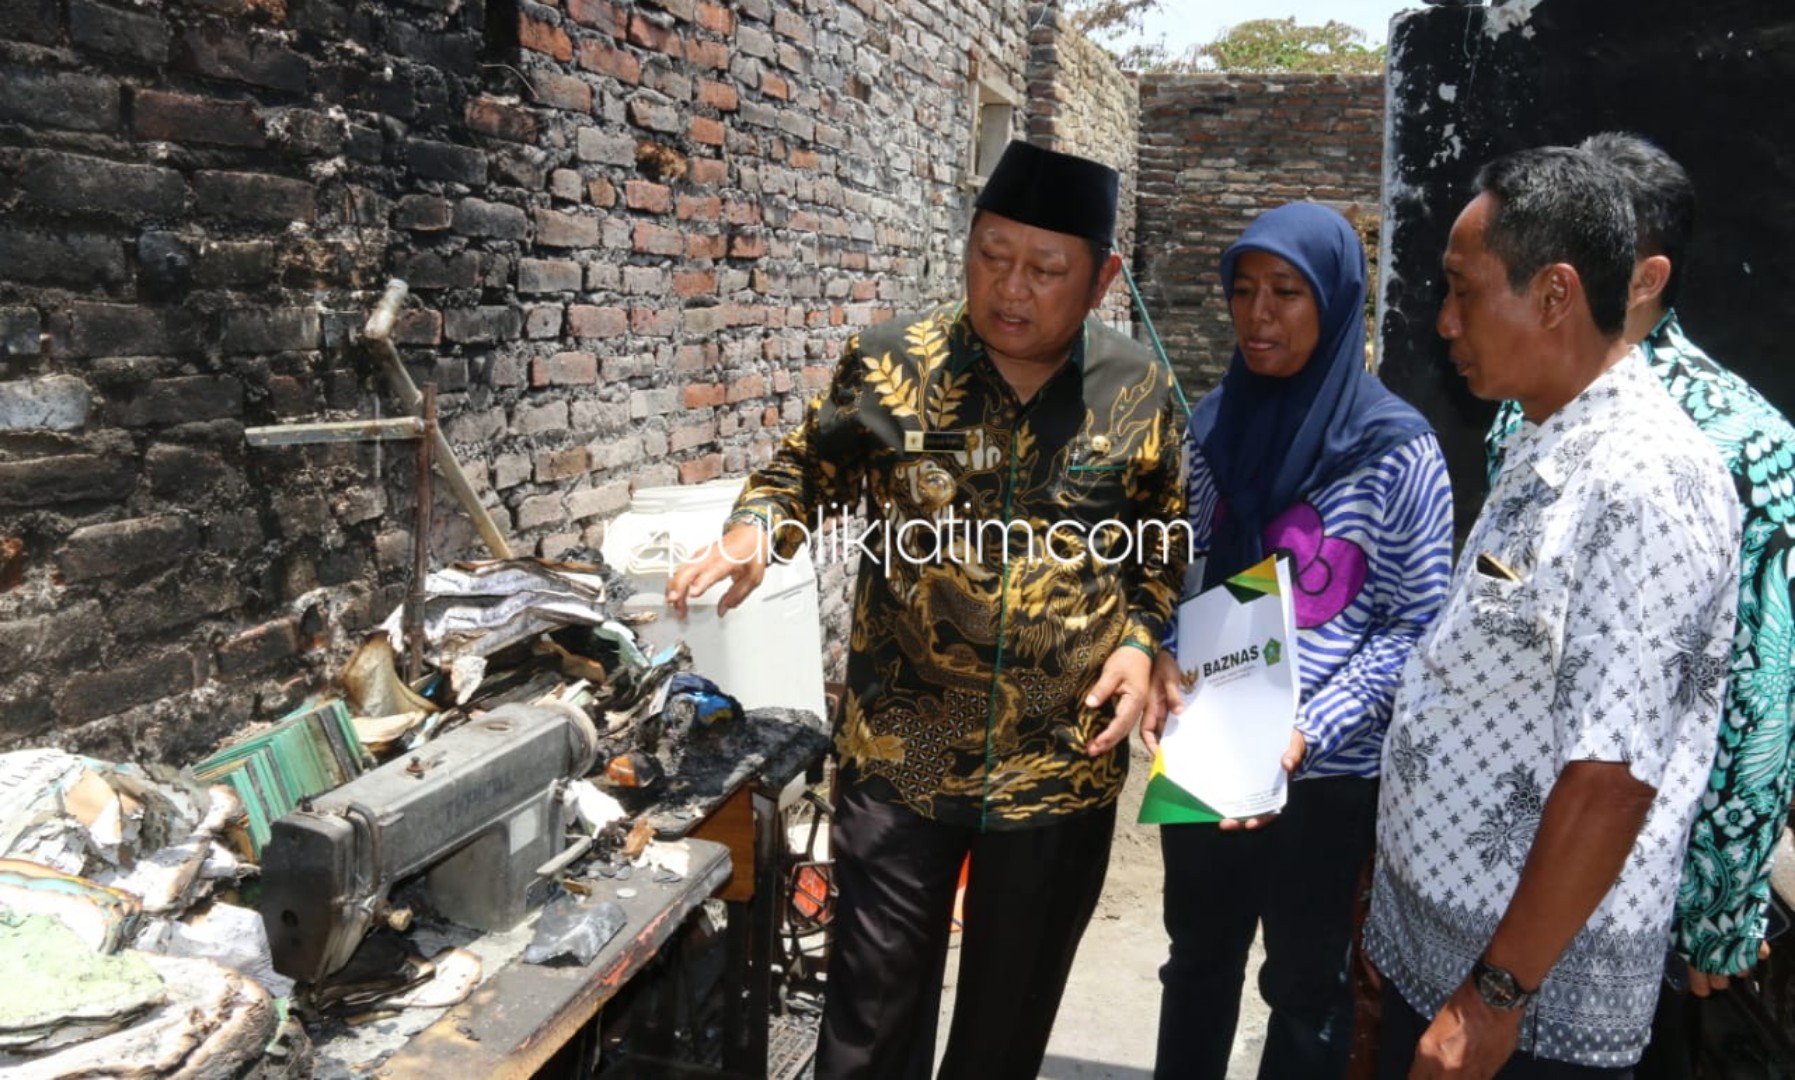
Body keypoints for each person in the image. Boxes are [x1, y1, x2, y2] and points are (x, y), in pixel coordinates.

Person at [666, 140, 1187, 1080]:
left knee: (1006, 1026)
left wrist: (1144, 641)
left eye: (1044, 268)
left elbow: (1159, 541)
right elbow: (804, 471)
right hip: (899, 756)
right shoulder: (890, 363)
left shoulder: (1138, 391)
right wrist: (754, 531)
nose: (1011, 288)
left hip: (1057, 768)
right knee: (868, 1023)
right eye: (991, 255)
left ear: (1104, 278)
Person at [1364, 146, 1741, 1079]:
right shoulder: (1548, 433)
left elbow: (1610, 776)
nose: (1444, 322)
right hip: (1454, 945)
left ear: (1554, 295)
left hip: (1529, 1004)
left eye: (1462, 289)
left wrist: (1491, 1001)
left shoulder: (1642, 479)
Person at [1483, 132, 1795, 1079]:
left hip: (1648, 897)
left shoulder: (1745, 440)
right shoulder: (1521, 404)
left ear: (1644, 271)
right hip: (1511, 852)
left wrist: (1722, 912)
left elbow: (1764, 686)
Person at [1143, 202, 1455, 1080]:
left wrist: (1310, 725)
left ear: (1336, 303)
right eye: (1242, 291)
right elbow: (1181, 569)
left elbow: (1416, 623)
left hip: (1322, 772)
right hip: (1208, 742)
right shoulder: (1211, 426)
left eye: (1285, 291)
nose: (1257, 314)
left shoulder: (1396, 450)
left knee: (1304, 986)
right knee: (1196, 964)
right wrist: (1164, 652)